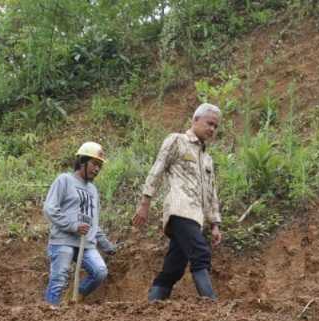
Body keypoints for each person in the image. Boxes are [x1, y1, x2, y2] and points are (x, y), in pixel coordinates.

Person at [132, 103, 223, 301]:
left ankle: (151, 304)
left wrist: (214, 223)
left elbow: (211, 193)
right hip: (179, 210)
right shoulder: (177, 141)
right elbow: (157, 169)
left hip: (196, 218)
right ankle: (211, 304)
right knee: (200, 253)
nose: (212, 129)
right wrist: (145, 203)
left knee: (174, 268)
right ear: (195, 120)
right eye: (209, 123)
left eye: (216, 126)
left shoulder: (207, 159)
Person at [42, 142, 117, 306]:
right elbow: (50, 208)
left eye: (99, 166)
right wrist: (73, 226)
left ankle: (73, 298)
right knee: (59, 280)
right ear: (82, 161)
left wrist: (106, 245)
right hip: (63, 239)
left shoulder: (93, 190)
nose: (97, 169)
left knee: (99, 272)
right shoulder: (64, 180)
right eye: (94, 164)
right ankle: (49, 314)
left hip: (87, 243)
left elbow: (93, 222)